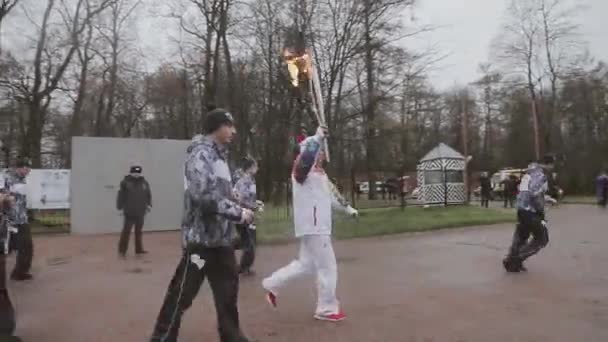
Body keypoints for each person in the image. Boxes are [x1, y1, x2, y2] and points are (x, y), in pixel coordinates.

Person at [150, 108, 254, 342]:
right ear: (217, 126)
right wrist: (238, 213)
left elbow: (218, 191)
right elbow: (203, 195)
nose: (234, 131)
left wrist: (234, 196)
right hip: (201, 245)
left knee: (228, 294)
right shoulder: (200, 154)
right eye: (230, 125)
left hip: (222, 242)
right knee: (182, 293)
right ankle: (161, 337)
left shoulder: (220, 157)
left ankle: (232, 336)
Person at [262, 126, 358, 322]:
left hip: (316, 226)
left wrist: (348, 209)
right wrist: (316, 138)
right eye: (318, 150)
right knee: (328, 266)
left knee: (306, 264)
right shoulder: (300, 172)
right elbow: (305, 162)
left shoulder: (320, 175)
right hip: (314, 226)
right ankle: (326, 308)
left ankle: (272, 284)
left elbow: (334, 196)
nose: (321, 154)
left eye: (321, 150)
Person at [502, 156, 557, 273]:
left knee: (521, 236)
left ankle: (513, 261)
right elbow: (535, 194)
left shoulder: (528, 174)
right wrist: (540, 211)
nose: (552, 168)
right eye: (552, 165)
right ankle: (514, 259)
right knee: (542, 238)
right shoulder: (540, 176)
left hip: (521, 209)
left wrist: (546, 198)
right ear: (548, 164)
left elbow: (526, 192)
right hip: (531, 211)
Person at [3, 158, 33, 281]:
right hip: (11, 220)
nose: (29, 171)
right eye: (27, 168)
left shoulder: (21, 179)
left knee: (24, 246)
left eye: (29, 169)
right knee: (14, 247)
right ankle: (18, 273)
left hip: (21, 219)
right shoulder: (7, 178)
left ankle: (20, 272)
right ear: (20, 167)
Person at [233, 157, 263, 276]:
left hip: (249, 214)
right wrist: (253, 206)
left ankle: (245, 267)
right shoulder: (244, 181)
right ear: (250, 168)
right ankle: (242, 268)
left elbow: (249, 197)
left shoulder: (251, 180)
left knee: (250, 241)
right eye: (256, 166)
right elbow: (241, 198)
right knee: (249, 243)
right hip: (242, 214)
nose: (257, 168)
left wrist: (256, 203)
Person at [116, 164, 152, 257]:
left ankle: (139, 250)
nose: (136, 174)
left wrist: (149, 205)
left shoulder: (144, 183)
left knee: (138, 232)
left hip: (140, 212)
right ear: (131, 173)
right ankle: (122, 250)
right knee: (126, 232)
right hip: (129, 212)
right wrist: (119, 208)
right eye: (134, 172)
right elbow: (121, 196)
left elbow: (148, 195)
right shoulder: (125, 183)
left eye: (138, 173)